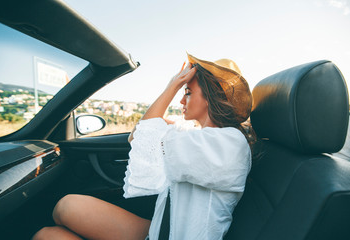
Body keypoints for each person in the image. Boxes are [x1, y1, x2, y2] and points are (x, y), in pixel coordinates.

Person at [33, 53, 254, 240]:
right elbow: (139, 135)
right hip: (158, 230)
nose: (181, 101)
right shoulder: (195, 135)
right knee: (66, 206)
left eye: (187, 92)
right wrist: (175, 86)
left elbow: (148, 131)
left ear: (212, 97)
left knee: (47, 236)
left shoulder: (228, 143)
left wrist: (172, 85)